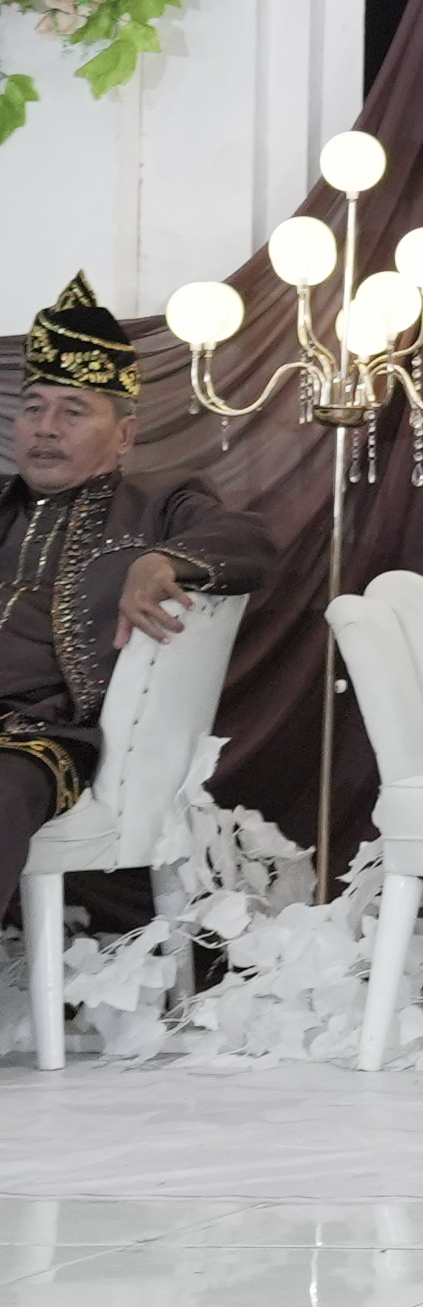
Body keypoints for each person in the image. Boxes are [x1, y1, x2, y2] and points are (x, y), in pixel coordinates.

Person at [2, 278, 270, 903]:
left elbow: (251, 540)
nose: (46, 428)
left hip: (38, 740)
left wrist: (162, 558)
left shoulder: (159, 502)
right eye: (34, 408)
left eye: (73, 411)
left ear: (123, 435)